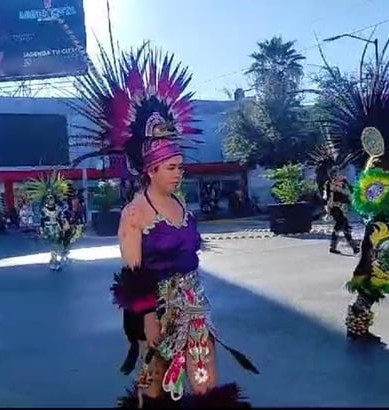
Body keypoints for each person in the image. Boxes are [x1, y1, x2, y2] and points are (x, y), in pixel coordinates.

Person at [70, 42, 257, 407]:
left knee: (206, 382)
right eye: (171, 168)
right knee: (153, 387)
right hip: (157, 311)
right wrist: (148, 320)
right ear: (150, 169)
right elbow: (133, 276)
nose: (179, 173)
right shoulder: (134, 213)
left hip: (195, 307)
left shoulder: (180, 204)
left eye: (180, 166)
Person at [341, 128, 389, 343]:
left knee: (372, 284)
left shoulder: (374, 164)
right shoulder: (383, 164)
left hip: (382, 230)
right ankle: (356, 328)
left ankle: (356, 328)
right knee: (384, 282)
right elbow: (380, 197)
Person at [25, 171, 77, 271]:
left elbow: (61, 217)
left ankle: (58, 257)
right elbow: (42, 220)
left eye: (52, 198)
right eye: (48, 198)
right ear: (46, 199)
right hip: (49, 230)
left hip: (57, 228)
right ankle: (54, 261)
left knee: (58, 244)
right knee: (54, 245)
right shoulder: (44, 209)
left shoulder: (58, 208)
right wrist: (41, 230)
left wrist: (65, 223)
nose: (50, 200)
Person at [324, 171, 359, 255]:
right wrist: (329, 211)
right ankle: (334, 247)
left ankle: (354, 248)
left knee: (345, 226)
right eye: (335, 174)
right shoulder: (330, 184)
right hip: (336, 209)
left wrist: (347, 184)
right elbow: (330, 198)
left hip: (341, 208)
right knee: (340, 225)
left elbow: (350, 190)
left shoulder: (342, 182)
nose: (337, 175)